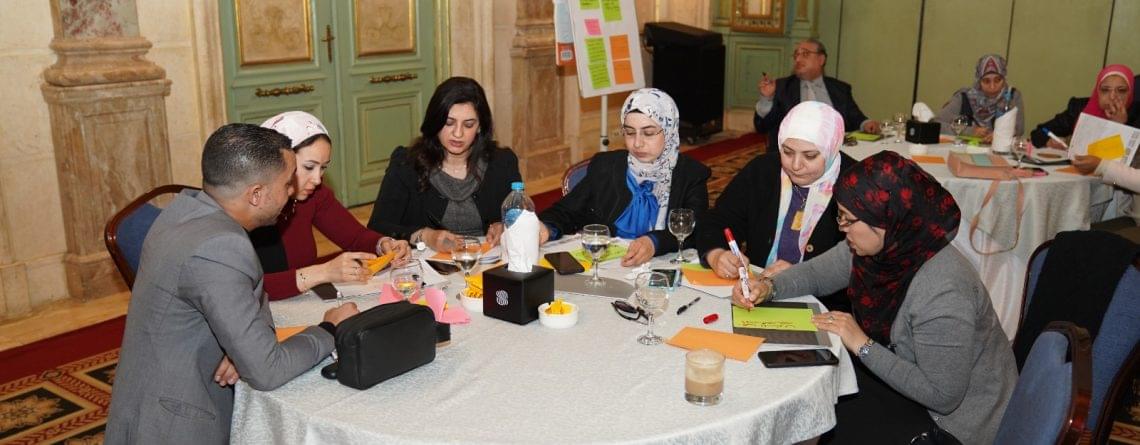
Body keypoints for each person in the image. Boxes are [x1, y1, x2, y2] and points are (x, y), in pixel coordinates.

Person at [733, 151, 1017, 444]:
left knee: (816, 420)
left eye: (848, 219)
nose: (841, 228)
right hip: (902, 381)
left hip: (950, 424)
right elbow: (818, 273)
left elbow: (942, 395)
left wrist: (861, 343)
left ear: (885, 219)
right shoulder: (887, 246)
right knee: (814, 400)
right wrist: (768, 287)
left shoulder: (943, 291)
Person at [106, 124, 360, 444]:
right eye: (286, 183)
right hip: (175, 424)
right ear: (256, 194)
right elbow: (268, 370)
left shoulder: (183, 211)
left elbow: (239, 308)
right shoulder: (221, 247)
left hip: (143, 402)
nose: (291, 192)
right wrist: (329, 328)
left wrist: (240, 349)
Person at [699, 101, 855, 310]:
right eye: (787, 152)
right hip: (756, 292)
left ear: (831, 149)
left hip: (826, 305)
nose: (796, 165)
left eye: (810, 156)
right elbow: (718, 219)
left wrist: (799, 275)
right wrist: (716, 254)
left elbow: (861, 265)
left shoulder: (855, 184)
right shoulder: (763, 170)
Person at [538, 88, 710, 267]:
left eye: (648, 133)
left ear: (669, 130)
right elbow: (567, 211)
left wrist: (655, 242)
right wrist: (546, 227)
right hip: (607, 266)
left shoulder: (690, 174)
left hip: (661, 268)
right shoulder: (606, 166)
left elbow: (697, 230)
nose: (637, 143)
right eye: (630, 132)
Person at [252, 111, 410, 300]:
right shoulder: (247, 208)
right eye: (309, 167)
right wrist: (323, 272)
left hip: (299, 301)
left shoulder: (313, 194)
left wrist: (383, 244)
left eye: (323, 167)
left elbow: (354, 236)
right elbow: (245, 288)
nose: (317, 179)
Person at [367, 77, 521, 252]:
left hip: (488, 260)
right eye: (449, 123)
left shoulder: (502, 162)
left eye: (468, 125)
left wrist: (505, 226)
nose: (458, 133)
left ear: (480, 127)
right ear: (435, 121)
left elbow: (525, 220)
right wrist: (425, 236)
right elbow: (377, 228)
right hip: (426, 263)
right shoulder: (407, 164)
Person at [753, 39, 879, 149]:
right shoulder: (782, 87)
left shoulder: (839, 88)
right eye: (796, 55)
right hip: (794, 153)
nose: (798, 59)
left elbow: (855, 116)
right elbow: (762, 127)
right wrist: (766, 98)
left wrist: (866, 123)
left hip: (836, 150)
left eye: (805, 54)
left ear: (821, 59)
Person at [1030, 64, 1139, 149]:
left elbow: (1131, 161)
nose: (1112, 96)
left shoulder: (1137, 114)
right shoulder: (1079, 107)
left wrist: (1119, 126)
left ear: (1130, 93)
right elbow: (1039, 132)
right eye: (1105, 90)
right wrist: (1048, 141)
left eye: (1121, 90)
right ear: (1097, 92)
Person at [935, 53, 1025, 143]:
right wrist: (970, 131)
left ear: (1004, 79)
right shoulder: (963, 97)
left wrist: (999, 134)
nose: (992, 87)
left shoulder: (1012, 96)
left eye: (997, 80)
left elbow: (1019, 129)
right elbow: (937, 124)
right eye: (986, 81)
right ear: (978, 81)